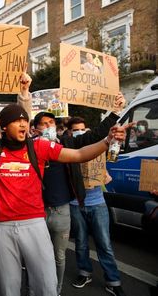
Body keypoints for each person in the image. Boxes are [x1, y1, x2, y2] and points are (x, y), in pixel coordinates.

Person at [0, 101, 128, 296]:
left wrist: (107, 141)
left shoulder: (39, 146)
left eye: (25, 120)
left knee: (46, 286)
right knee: (7, 289)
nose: (23, 124)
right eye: (17, 121)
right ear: (4, 127)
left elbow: (79, 154)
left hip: (34, 224)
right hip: (2, 228)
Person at [33, 91, 125, 296]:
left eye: (51, 123)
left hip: (69, 207)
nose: (48, 127)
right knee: (43, 253)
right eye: (43, 124)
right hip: (38, 211)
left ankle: (58, 290)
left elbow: (95, 136)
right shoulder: (31, 148)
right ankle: (44, 287)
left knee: (70, 252)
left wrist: (115, 112)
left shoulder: (68, 143)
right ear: (35, 129)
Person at [68, 118, 127, 296]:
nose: (80, 132)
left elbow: (114, 153)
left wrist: (116, 138)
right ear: (70, 133)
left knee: (105, 244)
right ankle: (84, 273)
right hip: (75, 204)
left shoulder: (99, 145)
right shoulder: (68, 149)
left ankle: (113, 280)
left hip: (97, 203)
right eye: (76, 130)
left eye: (82, 129)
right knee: (80, 242)